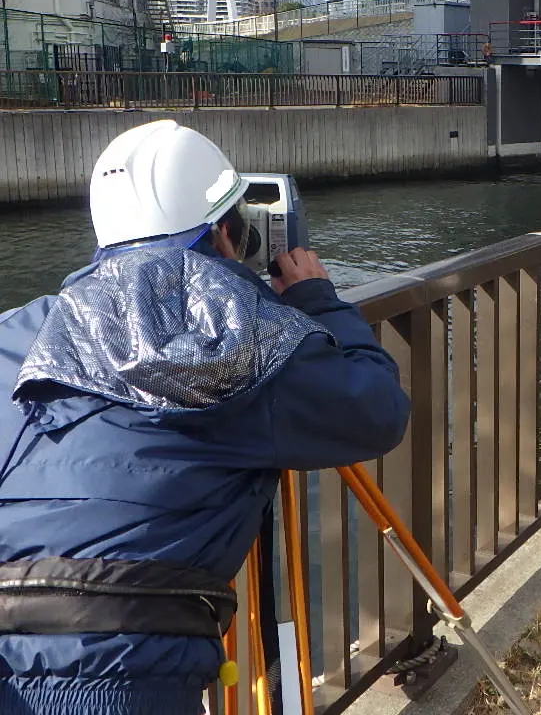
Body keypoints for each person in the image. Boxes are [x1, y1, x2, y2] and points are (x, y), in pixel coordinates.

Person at [0, 120, 411, 715]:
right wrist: (317, 303)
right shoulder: (241, 336)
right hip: (127, 666)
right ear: (224, 234)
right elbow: (377, 411)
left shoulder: (21, 331)